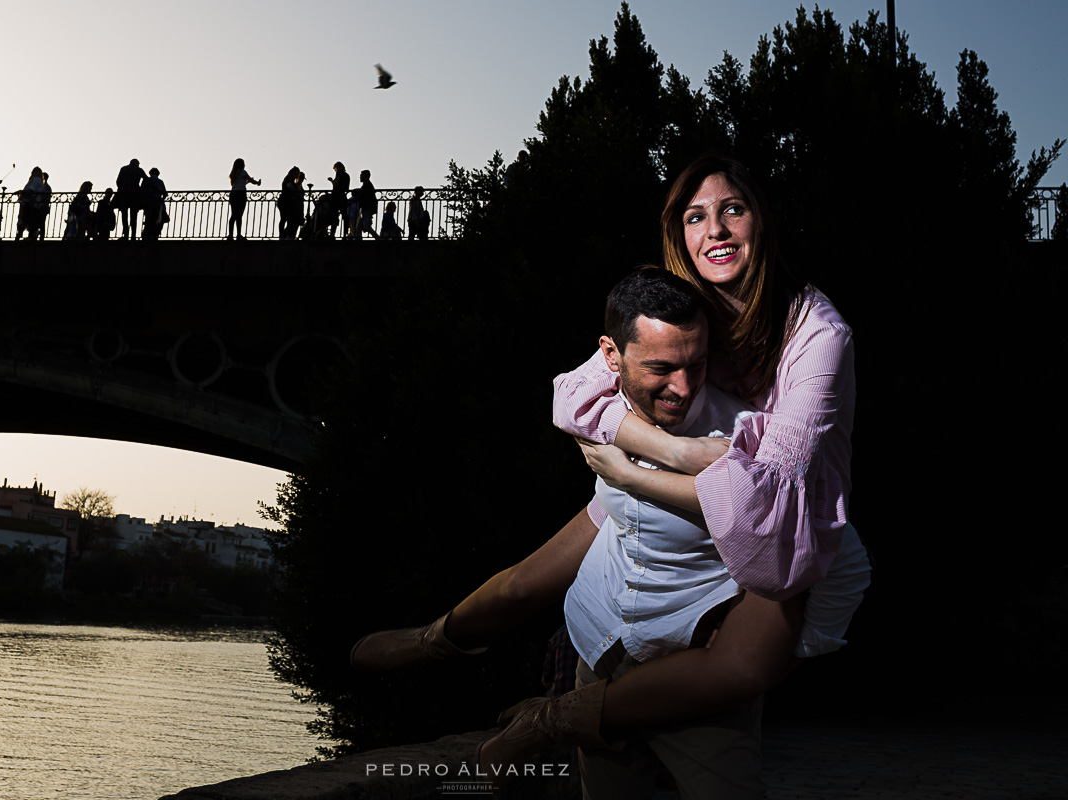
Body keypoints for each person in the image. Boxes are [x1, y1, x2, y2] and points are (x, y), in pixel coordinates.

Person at [351, 156, 865, 785]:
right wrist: (664, 452)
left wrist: (636, 472)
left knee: (744, 667)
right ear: (677, 231)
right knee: (522, 584)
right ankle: (437, 638)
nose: (717, 230)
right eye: (695, 215)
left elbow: (770, 491)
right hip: (675, 482)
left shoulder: (816, 334)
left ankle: (555, 716)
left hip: (786, 520)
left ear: (762, 220)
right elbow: (575, 394)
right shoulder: (678, 303)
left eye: (733, 209)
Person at [227, 158, 262, 241]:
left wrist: (247, 182)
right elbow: (250, 179)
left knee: (233, 215)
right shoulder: (243, 172)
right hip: (241, 194)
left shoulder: (233, 173)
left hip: (233, 194)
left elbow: (238, 183)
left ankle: (230, 235)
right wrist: (257, 182)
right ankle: (238, 235)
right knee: (239, 215)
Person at [115, 158, 147, 240]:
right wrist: (142, 189)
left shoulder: (123, 169)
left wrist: (122, 188)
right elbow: (146, 180)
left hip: (123, 194)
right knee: (133, 216)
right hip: (135, 195)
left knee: (124, 215)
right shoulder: (139, 170)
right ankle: (133, 235)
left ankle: (126, 234)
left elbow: (118, 181)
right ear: (137, 164)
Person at [141, 167, 167, 240]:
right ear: (158, 174)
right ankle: (154, 235)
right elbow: (165, 194)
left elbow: (142, 191)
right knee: (156, 219)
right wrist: (161, 199)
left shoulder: (146, 180)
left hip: (148, 203)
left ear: (150, 173)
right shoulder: (160, 181)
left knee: (148, 219)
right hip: (157, 203)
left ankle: (146, 235)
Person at [278, 166, 304, 240]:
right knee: (284, 219)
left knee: (286, 219)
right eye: (297, 174)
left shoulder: (289, 178)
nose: (297, 176)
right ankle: (282, 235)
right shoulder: (289, 178)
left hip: (286, 201)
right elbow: (289, 186)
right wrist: (296, 191)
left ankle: (283, 235)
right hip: (285, 201)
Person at [328, 161, 350, 238]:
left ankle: (332, 234)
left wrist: (331, 181)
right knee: (344, 215)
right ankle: (345, 233)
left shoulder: (339, 173)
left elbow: (335, 184)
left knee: (334, 215)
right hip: (343, 196)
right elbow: (347, 188)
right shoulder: (347, 175)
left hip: (336, 196)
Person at [354, 169, 378, 240]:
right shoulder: (367, 184)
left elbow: (364, 196)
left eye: (361, 175)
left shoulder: (367, 185)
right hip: (365, 208)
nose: (360, 177)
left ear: (364, 176)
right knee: (359, 226)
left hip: (366, 208)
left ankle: (378, 238)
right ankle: (357, 240)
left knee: (366, 226)